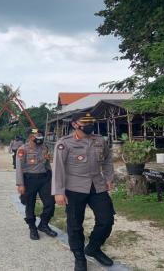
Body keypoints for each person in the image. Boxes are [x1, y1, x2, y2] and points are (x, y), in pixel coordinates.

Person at [52, 112, 115, 271]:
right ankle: (79, 257)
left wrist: (108, 177)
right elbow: (58, 168)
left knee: (106, 220)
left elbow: (107, 159)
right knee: (74, 225)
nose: (89, 124)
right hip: (74, 188)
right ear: (74, 124)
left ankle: (93, 248)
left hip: (97, 186)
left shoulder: (99, 140)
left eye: (91, 121)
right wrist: (58, 191)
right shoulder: (64, 143)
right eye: (85, 122)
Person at [16, 128, 57, 240]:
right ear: (30, 137)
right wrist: (20, 184)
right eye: (37, 135)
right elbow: (19, 167)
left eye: (40, 135)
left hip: (44, 178)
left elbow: (47, 163)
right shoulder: (22, 149)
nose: (40, 137)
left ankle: (43, 224)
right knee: (30, 204)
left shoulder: (44, 147)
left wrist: (52, 177)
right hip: (29, 179)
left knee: (50, 202)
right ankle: (32, 227)